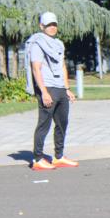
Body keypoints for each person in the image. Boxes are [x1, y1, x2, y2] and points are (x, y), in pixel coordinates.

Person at [25, 12, 78, 170]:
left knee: (62, 123)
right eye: (49, 25)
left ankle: (59, 157)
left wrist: (67, 88)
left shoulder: (59, 44)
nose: (52, 27)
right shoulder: (37, 44)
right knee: (44, 123)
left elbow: (62, 66)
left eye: (54, 24)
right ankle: (38, 159)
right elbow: (36, 68)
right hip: (47, 87)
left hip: (60, 88)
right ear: (42, 26)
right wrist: (44, 92)